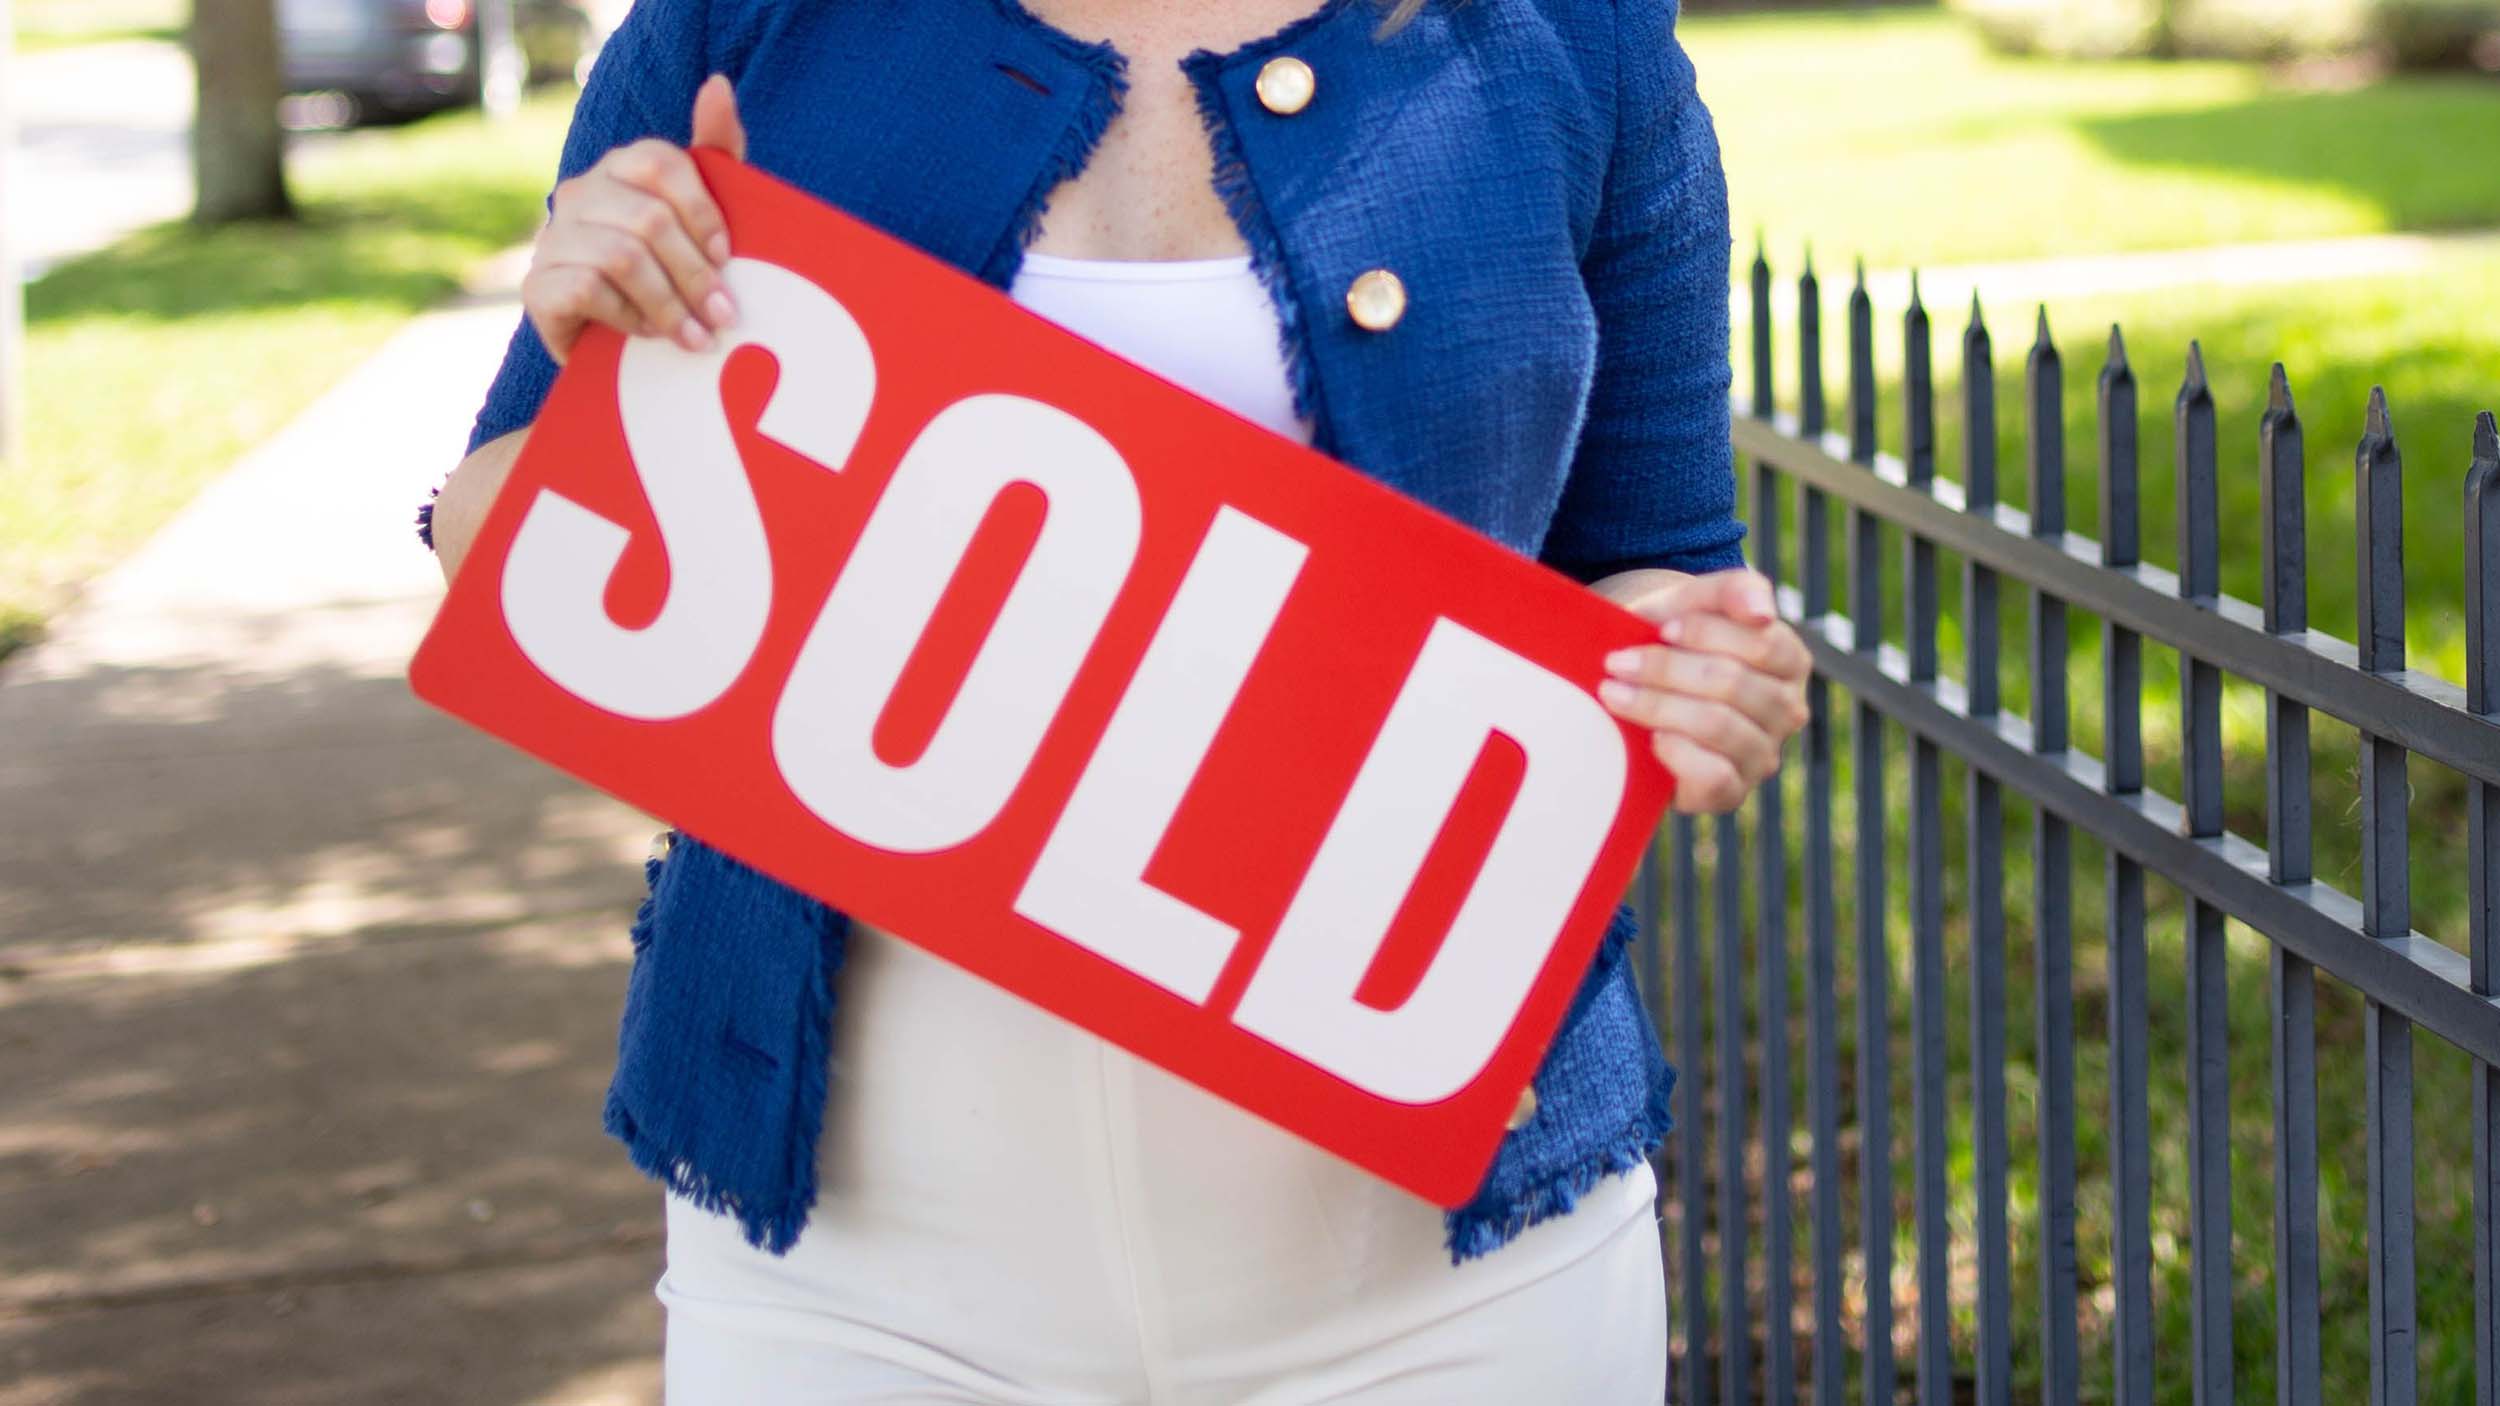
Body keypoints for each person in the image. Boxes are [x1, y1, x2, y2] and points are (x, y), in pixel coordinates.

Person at [420, 0, 1811, 1399]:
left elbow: (1655, 565)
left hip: (1450, 1282)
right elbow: (491, 545)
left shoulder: (1572, 40)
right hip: (856, 1268)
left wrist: (1696, 666)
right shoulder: (747, 20)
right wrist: (598, 338)